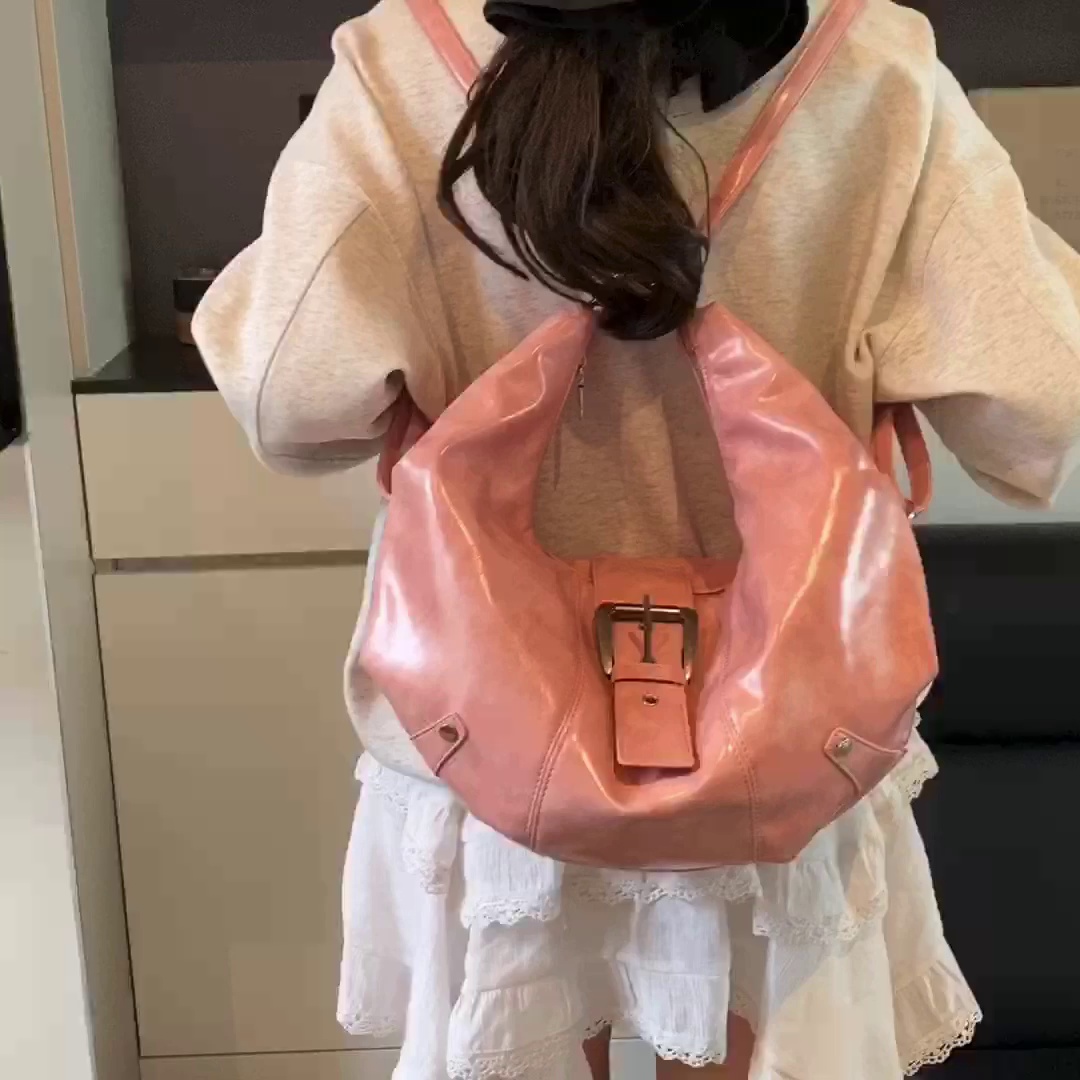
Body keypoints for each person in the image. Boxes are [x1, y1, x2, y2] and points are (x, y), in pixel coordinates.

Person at [193, 0, 1080, 1075]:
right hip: (789, 735)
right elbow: (1035, 399)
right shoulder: (874, 67)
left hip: (482, 733)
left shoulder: (398, 66)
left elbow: (292, 399)